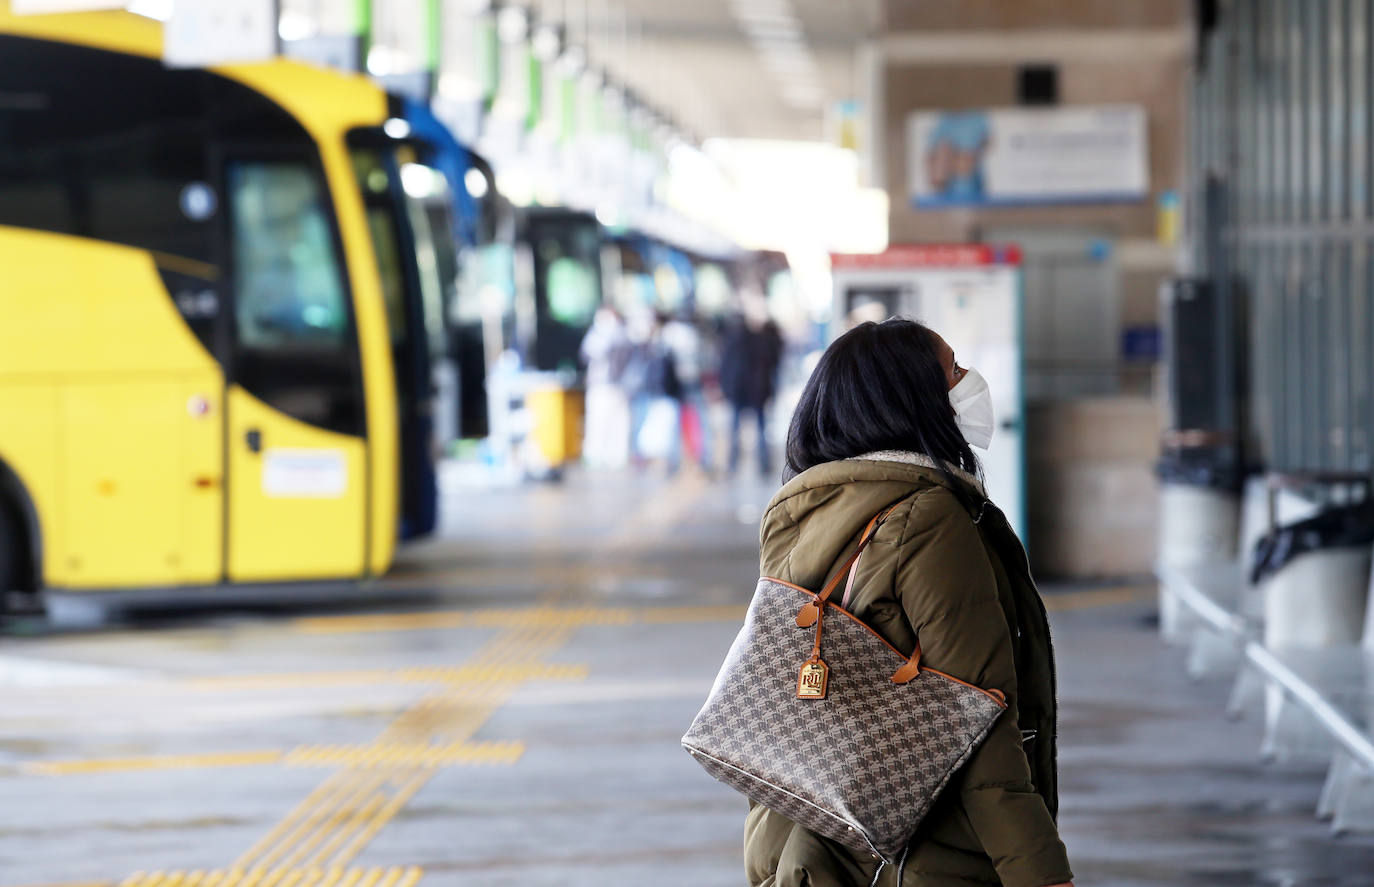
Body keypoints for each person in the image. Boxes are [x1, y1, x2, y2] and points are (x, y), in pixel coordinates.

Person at [744, 318, 1073, 887]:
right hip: (918, 855)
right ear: (911, 399)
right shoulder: (929, 519)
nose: (969, 380)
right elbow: (977, 714)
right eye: (953, 370)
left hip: (803, 842)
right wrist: (1039, 871)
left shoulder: (805, 510)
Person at [719, 300, 783, 476]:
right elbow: (770, 365)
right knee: (760, 428)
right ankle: (763, 465)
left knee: (735, 428)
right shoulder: (759, 340)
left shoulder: (732, 342)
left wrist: (726, 390)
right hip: (757, 392)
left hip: (739, 392)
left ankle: (732, 465)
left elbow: (725, 369)